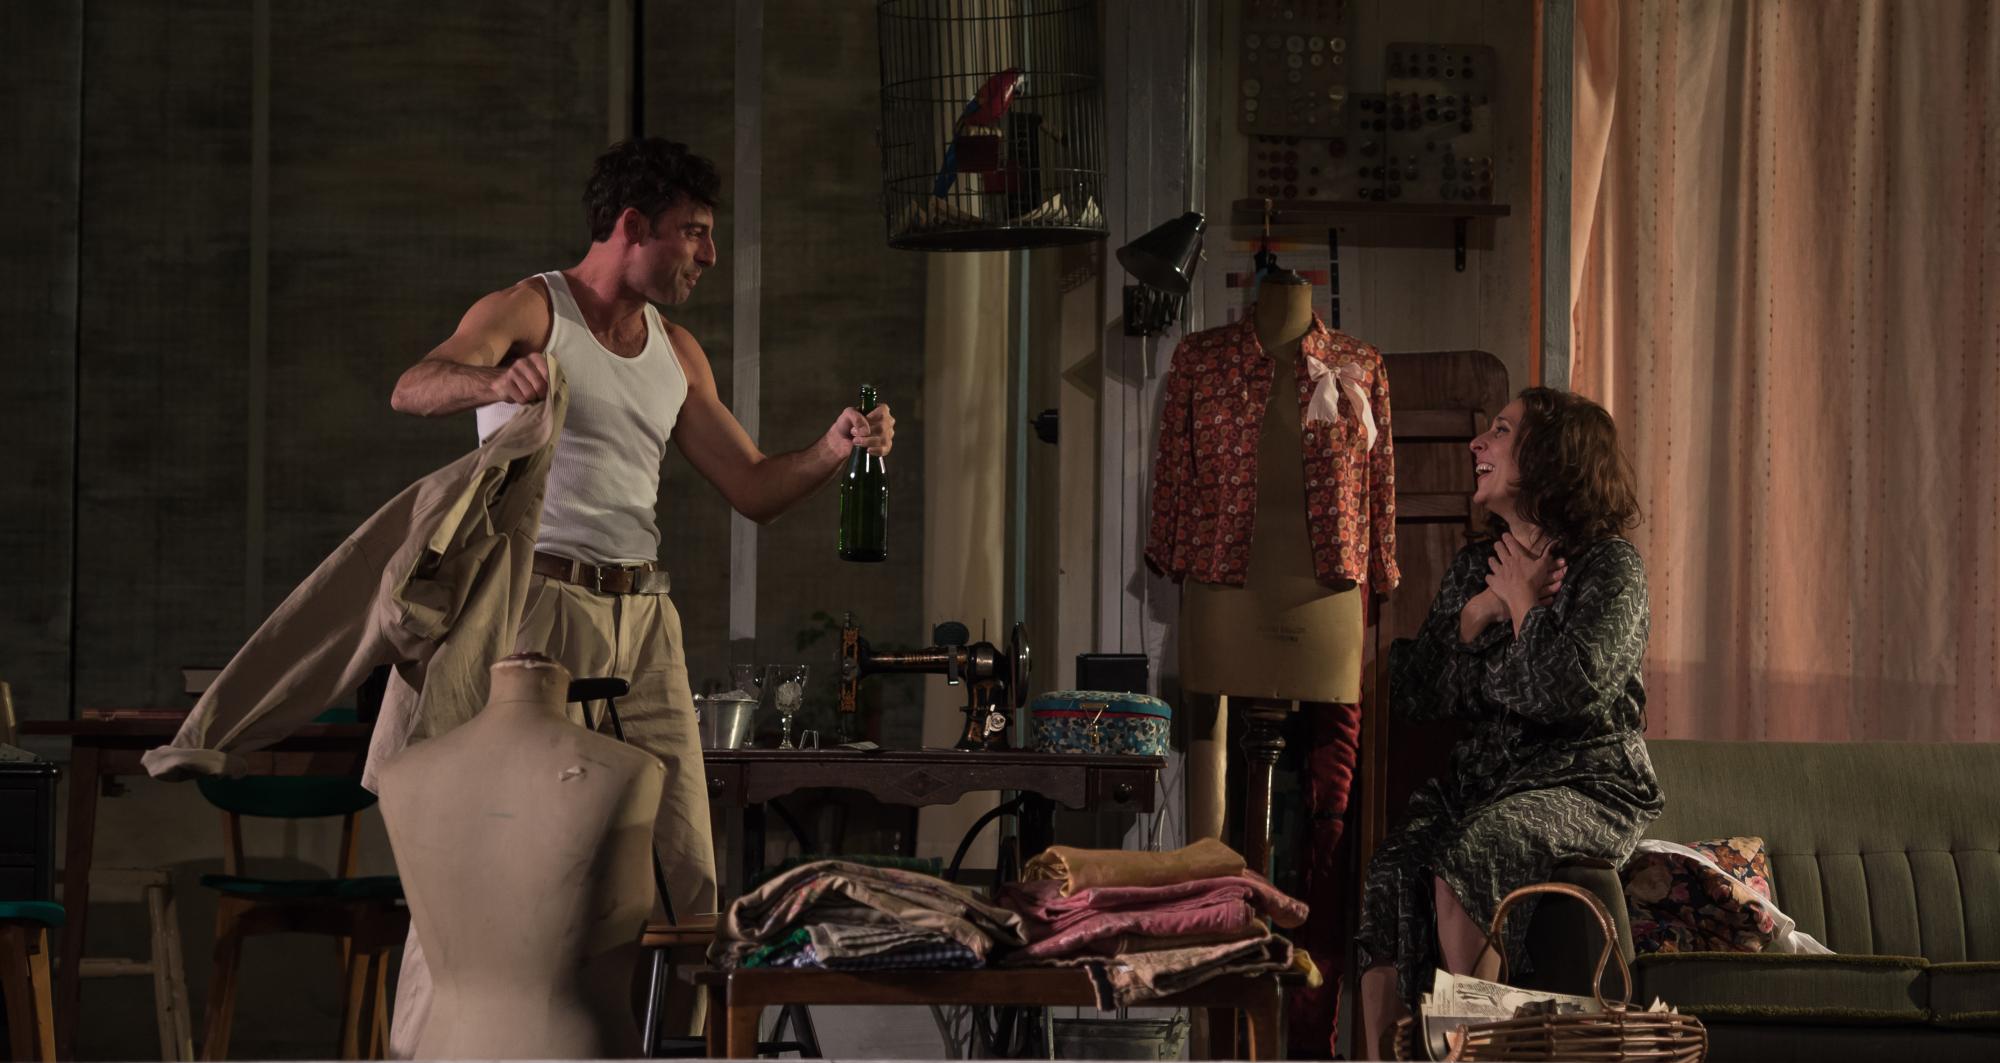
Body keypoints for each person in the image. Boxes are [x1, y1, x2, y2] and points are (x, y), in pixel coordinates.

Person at [386, 136, 894, 1045]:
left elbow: (752, 486)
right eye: (693, 232)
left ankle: (677, 1048)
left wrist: (833, 447)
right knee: (495, 864)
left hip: (645, 621)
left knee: (685, 871)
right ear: (631, 226)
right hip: (537, 613)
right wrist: (493, 378)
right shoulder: (530, 310)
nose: (709, 254)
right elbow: (412, 386)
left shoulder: (677, 352)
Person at [1354, 387, 1661, 1053]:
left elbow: (1569, 693)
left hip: (1588, 785)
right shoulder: (1475, 567)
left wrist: (1523, 604)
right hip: (1487, 784)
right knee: (1390, 870)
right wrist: (1474, 618)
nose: (1477, 443)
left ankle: (1468, 1051)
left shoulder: (1610, 567)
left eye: (1500, 430)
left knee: (1476, 852)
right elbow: (1419, 696)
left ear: (1549, 456)